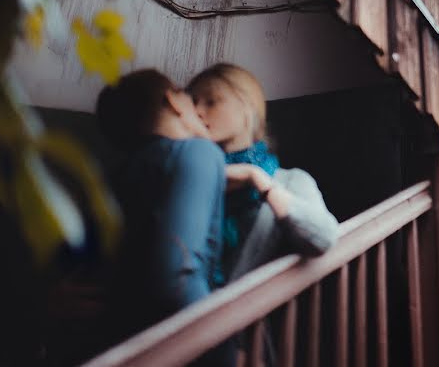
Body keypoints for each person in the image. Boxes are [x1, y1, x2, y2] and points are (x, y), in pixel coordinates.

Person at [96, 69, 232, 365]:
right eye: (191, 98)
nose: (199, 109)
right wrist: (224, 351)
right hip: (185, 343)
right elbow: (177, 273)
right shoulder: (198, 152)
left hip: (118, 343)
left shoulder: (115, 176)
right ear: (173, 100)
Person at [187, 63, 338, 283]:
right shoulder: (190, 177)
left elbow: (323, 239)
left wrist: (256, 178)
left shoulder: (289, 181)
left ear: (247, 108)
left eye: (211, 101)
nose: (198, 112)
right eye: (193, 104)